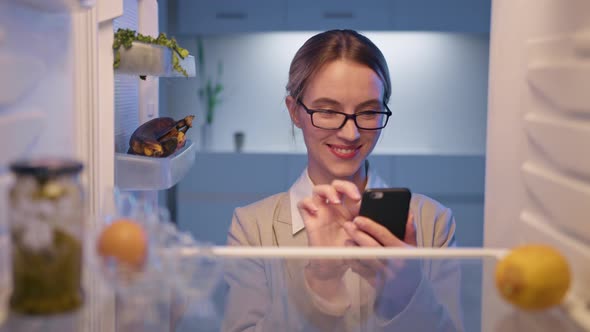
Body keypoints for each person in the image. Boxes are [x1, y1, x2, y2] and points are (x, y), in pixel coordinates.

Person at [223, 29, 463, 332]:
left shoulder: (432, 223)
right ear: (294, 111)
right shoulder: (252, 228)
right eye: (327, 110)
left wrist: (406, 293)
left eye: (369, 112)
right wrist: (319, 283)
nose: (350, 134)